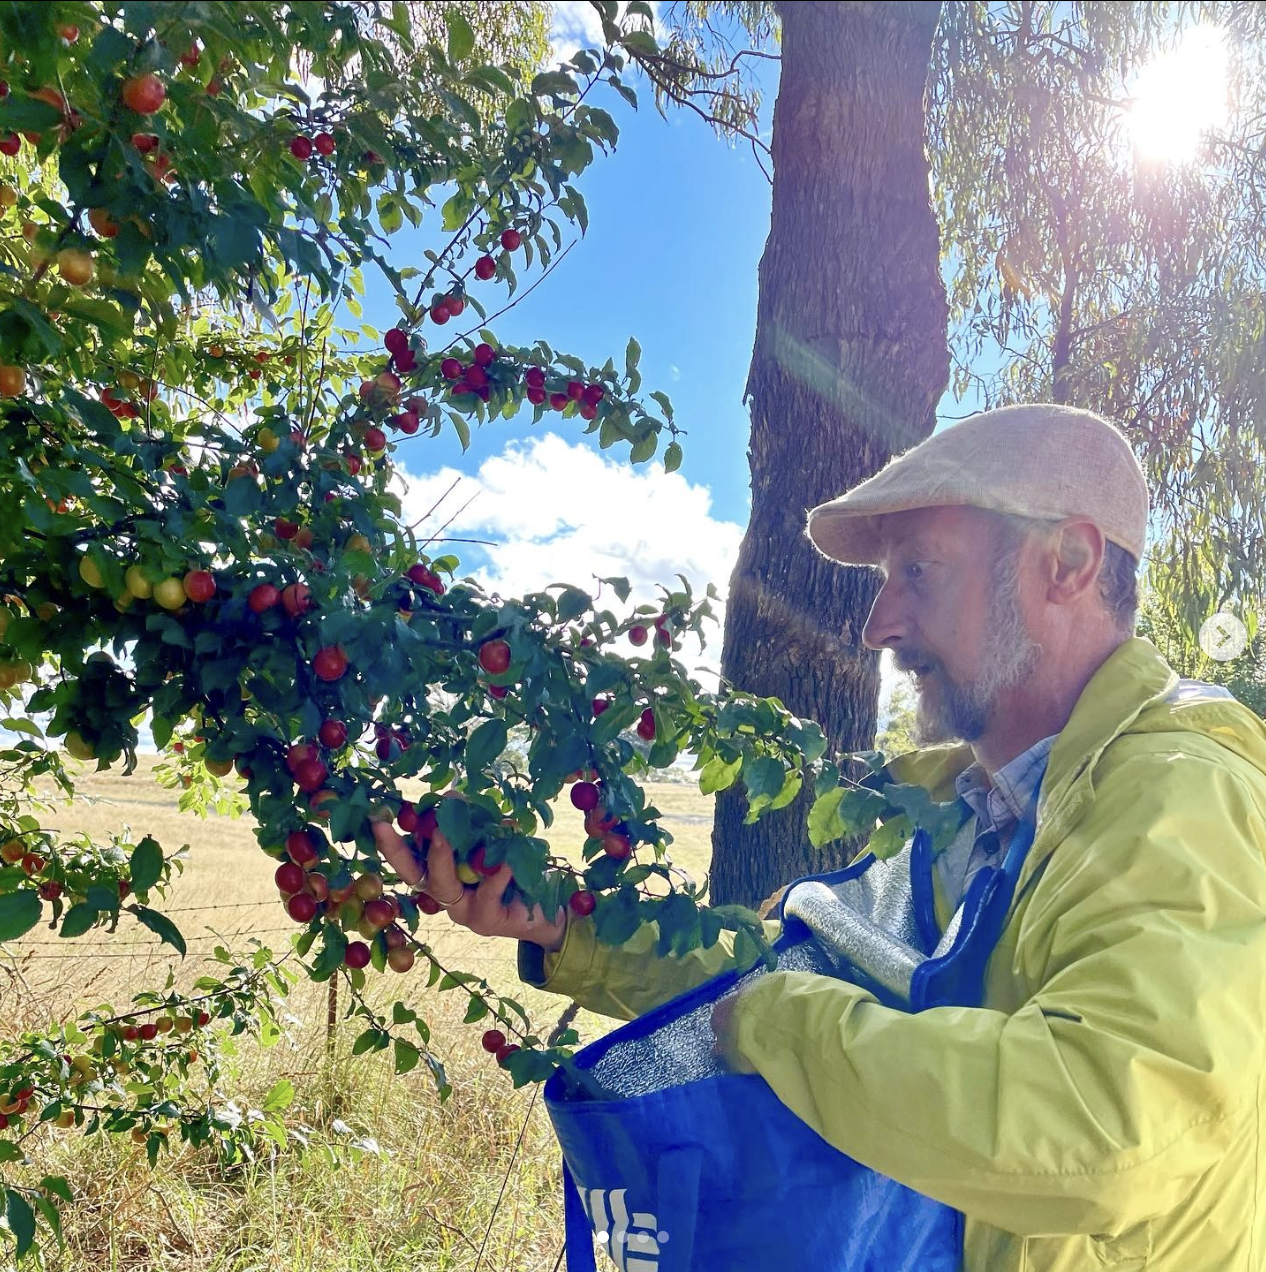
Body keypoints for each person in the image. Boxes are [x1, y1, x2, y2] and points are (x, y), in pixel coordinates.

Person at [373, 404, 1266, 1272]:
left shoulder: (1176, 793)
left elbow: (1107, 1131)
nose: (878, 625)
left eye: (919, 571)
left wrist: (779, 1027)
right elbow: (799, 967)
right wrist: (568, 930)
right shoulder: (961, 807)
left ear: (1067, 562)